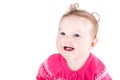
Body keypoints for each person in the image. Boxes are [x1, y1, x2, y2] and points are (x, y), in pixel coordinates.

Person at [36, 3, 112, 80]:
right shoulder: (51, 63)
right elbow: (41, 77)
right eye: (63, 33)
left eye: (76, 35)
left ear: (92, 43)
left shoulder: (97, 69)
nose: (67, 39)